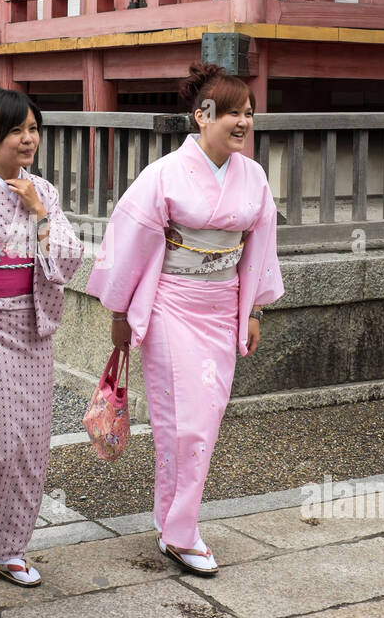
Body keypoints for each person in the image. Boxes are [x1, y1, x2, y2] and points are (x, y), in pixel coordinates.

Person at [86, 62, 284, 576]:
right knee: (185, 422)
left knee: (206, 419)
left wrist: (255, 307)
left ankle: (175, 524)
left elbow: (260, 245)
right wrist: (120, 312)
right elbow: (129, 241)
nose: (242, 122)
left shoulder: (254, 176)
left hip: (223, 304)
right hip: (173, 302)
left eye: (249, 113)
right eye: (231, 113)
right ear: (201, 115)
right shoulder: (164, 174)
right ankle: (181, 531)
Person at [0, 88, 83, 586]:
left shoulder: (42, 191)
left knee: (30, 446)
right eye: (17, 131)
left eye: (33, 129)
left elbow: (68, 259)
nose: (29, 140)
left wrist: (41, 214)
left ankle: (10, 547)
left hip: (33, 327)